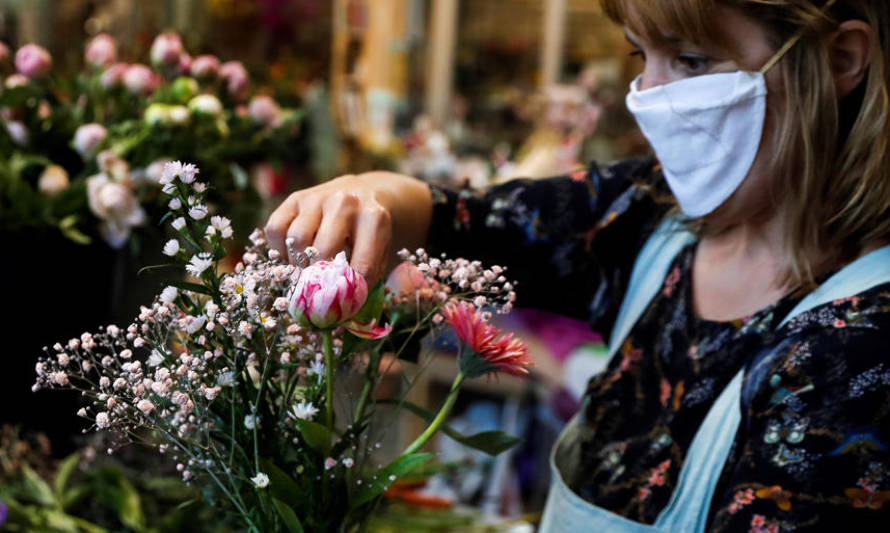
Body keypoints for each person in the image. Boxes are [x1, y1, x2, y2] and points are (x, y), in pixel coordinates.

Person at [266, 0, 890, 530]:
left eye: (693, 61)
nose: (652, 100)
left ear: (838, 60)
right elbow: (458, 217)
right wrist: (363, 196)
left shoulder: (861, 351)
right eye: (640, 58)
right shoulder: (646, 213)